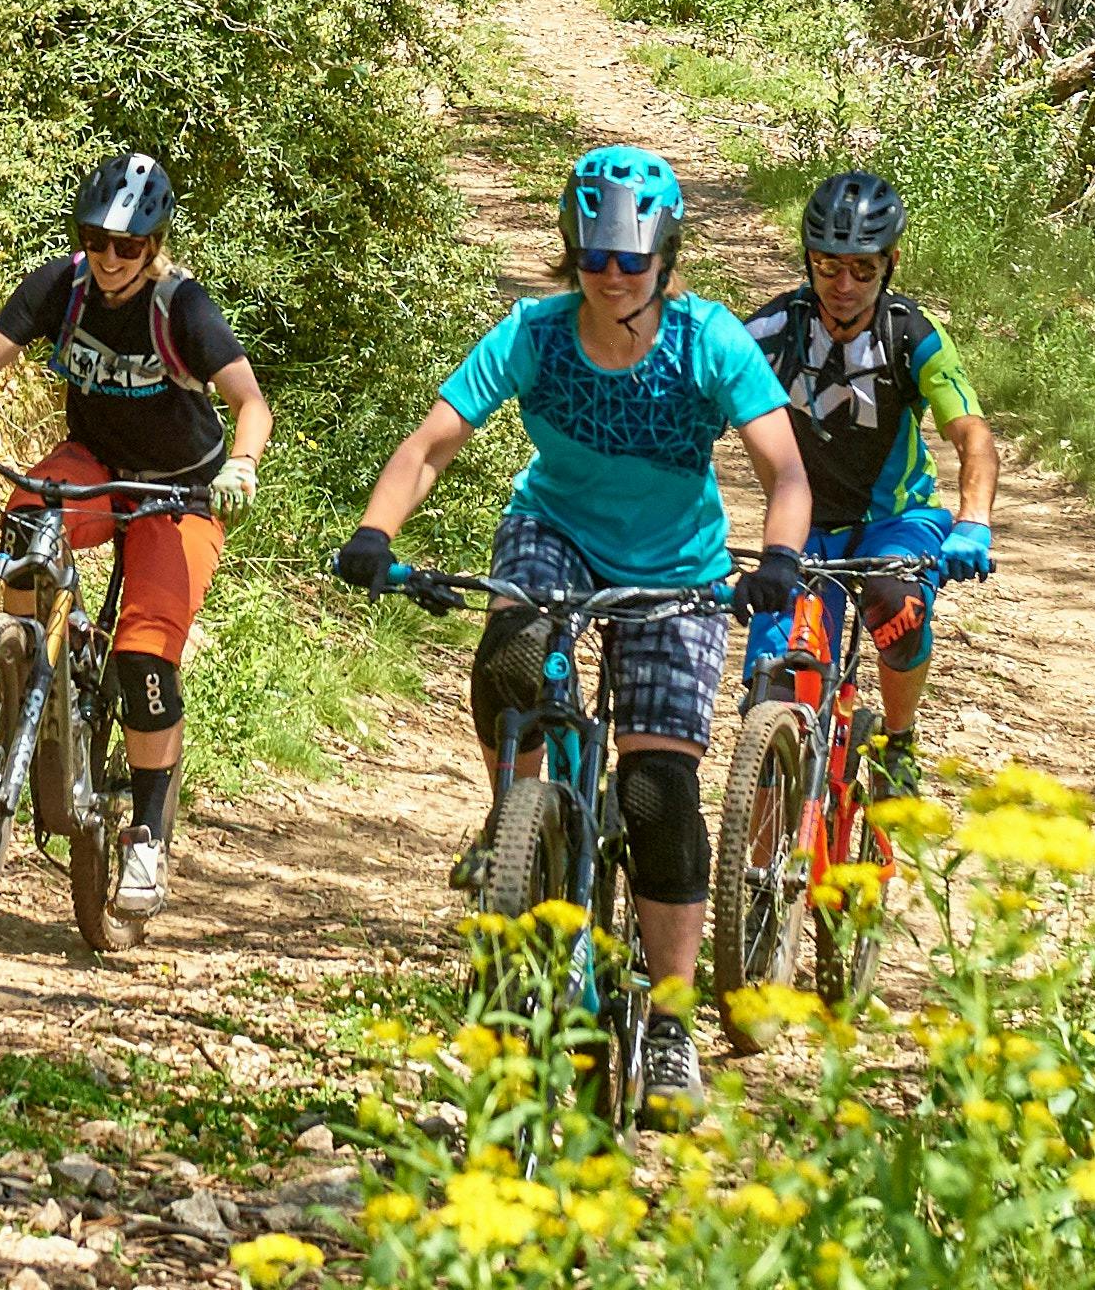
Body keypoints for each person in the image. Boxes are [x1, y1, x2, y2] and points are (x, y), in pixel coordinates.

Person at [329, 145, 808, 1120]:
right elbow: (431, 443)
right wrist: (376, 531)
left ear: (663, 257)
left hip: (677, 566)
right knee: (508, 657)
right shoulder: (535, 334)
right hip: (551, 531)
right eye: (594, 255)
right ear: (570, 252)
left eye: (632, 258)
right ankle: (523, 821)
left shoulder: (708, 341)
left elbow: (785, 472)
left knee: (656, 787)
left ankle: (670, 1028)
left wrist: (779, 559)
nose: (612, 274)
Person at [0, 149, 271, 916]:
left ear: (153, 248)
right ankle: (24, 664)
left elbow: (250, 400)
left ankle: (148, 839)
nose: (110, 258)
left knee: (147, 659)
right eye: (97, 240)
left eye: (127, 246)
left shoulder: (181, 308)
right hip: (96, 463)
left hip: (181, 489)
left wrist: (242, 467)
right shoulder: (65, 286)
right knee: (26, 512)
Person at [738, 167, 997, 791]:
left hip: (896, 521)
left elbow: (973, 436)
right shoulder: (770, 332)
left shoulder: (911, 335)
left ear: (890, 264)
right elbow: (694, 418)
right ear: (807, 260)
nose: (844, 286)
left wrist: (975, 522)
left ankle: (899, 743)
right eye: (828, 267)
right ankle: (764, 856)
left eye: (863, 270)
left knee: (894, 601)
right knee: (773, 678)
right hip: (801, 529)